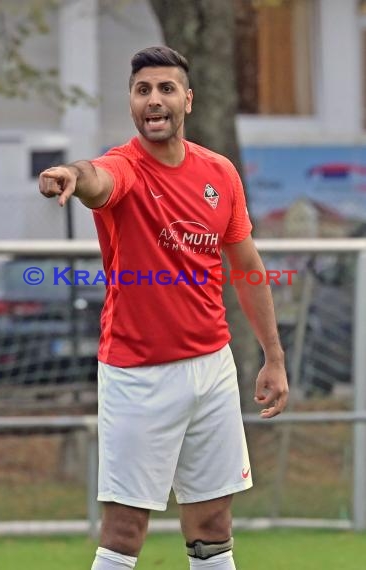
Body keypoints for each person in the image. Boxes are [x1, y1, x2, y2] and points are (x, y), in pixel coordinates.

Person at [39, 46, 288, 570]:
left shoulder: (219, 173)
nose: (155, 100)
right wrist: (71, 174)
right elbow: (97, 178)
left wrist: (273, 355)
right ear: (132, 103)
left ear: (188, 101)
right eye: (143, 90)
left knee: (213, 530)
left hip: (212, 368)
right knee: (125, 531)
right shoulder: (123, 167)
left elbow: (245, 265)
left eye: (166, 89)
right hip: (137, 374)